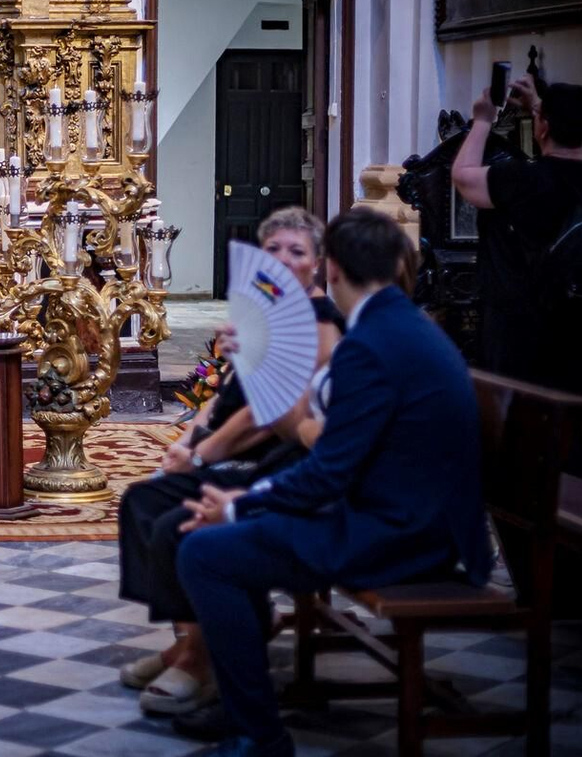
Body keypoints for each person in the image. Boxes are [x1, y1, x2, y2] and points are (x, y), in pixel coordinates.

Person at [173, 207, 494, 757]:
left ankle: (258, 735)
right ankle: (238, 703)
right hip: (409, 514)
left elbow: (329, 472)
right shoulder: (404, 325)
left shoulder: (369, 346)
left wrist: (239, 505)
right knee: (231, 539)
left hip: (400, 535)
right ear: (396, 267)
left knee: (205, 553)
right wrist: (251, 503)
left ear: (334, 270)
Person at [117, 207, 344, 718]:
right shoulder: (266, 314)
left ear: (318, 264)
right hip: (228, 446)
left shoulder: (319, 321)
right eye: (273, 250)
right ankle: (189, 639)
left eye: (297, 251)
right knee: (140, 500)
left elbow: (267, 415)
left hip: (272, 458)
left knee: (177, 517)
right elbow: (221, 396)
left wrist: (200, 455)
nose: (283, 260)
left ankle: (202, 657)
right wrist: (188, 439)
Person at [451, 75, 582, 393]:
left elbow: (462, 176)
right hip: (580, 321)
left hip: (519, 323)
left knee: (516, 413)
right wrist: (539, 107)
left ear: (542, 128)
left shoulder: (522, 178)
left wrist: (483, 120)